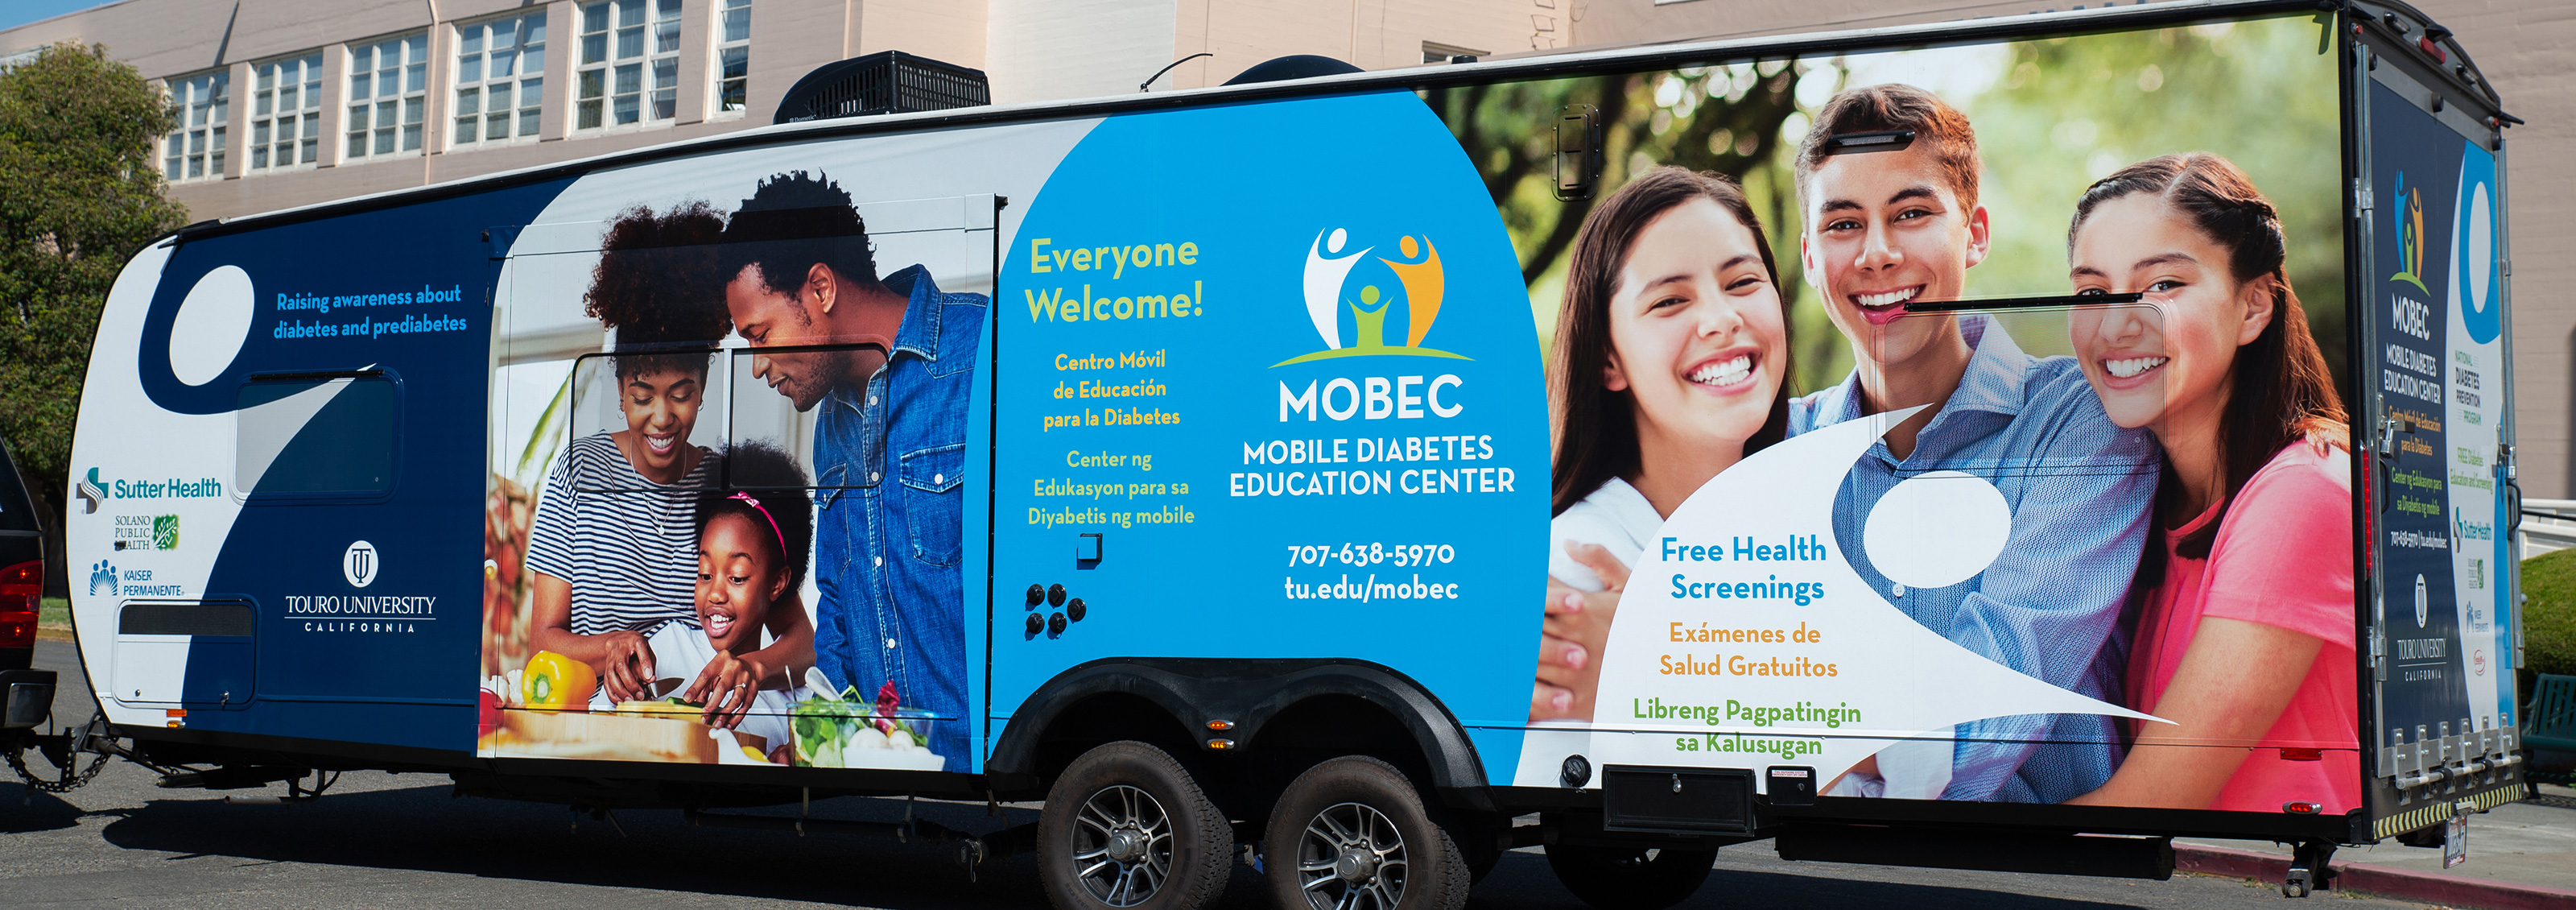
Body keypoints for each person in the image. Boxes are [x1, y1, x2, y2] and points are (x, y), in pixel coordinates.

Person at [1787, 84, 2157, 802]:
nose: (1878, 253)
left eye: (1912, 213)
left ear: (1975, 234)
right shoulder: (1783, 447)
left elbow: (1984, 702)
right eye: (1842, 225)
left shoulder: (2081, 422)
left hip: (2041, 875)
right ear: (1808, 256)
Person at [2061, 154, 2357, 812]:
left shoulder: (2302, 492)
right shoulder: (2142, 505)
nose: (2115, 323)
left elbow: (2145, 804)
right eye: (2090, 293)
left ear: (2254, 307)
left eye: (2163, 285)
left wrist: (1905, 834)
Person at [715, 172, 982, 766]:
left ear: (821, 288)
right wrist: (822, 740)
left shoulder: (983, 355)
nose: (758, 368)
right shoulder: (832, 424)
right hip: (881, 774)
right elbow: (836, 602)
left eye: (760, 337)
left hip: (990, 771)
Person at [1530, 167, 1794, 723]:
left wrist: (1672, 665)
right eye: (1671, 301)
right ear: (1608, 359)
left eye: (1743, 282)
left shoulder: (1803, 532)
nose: (1721, 319)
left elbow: (1923, 766)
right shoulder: (1571, 574)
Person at [525, 202, 814, 705]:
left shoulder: (724, 484)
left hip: (703, 722)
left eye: (681, 394)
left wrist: (749, 667)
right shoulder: (579, 472)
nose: (661, 418)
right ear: (619, 392)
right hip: (606, 722)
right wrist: (609, 648)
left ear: (703, 389)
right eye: (642, 397)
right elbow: (542, 640)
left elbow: (804, 642)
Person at [589, 441, 815, 759]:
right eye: (705, 574)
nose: (715, 594)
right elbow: (595, 729)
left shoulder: (792, 695)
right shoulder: (666, 648)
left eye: (737, 577)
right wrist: (617, 690)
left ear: (777, 583)